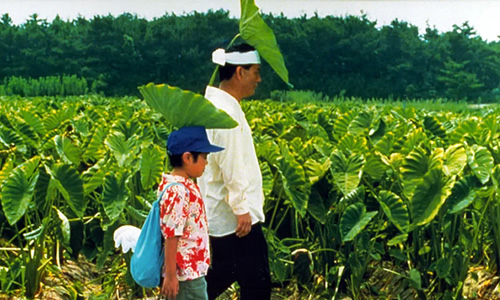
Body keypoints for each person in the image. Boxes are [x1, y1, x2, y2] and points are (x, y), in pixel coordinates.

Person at [198, 43, 272, 299]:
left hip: (223, 215)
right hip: (235, 220)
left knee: (219, 276)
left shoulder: (216, 105)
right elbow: (231, 163)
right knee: (257, 287)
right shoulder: (225, 112)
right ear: (239, 72)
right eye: (256, 71)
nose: (259, 79)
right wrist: (241, 209)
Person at [158, 126, 224, 300]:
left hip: (190, 273)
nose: (206, 162)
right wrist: (171, 276)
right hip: (185, 276)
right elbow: (172, 235)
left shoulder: (180, 186)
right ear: (187, 157)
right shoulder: (178, 191)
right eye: (203, 157)